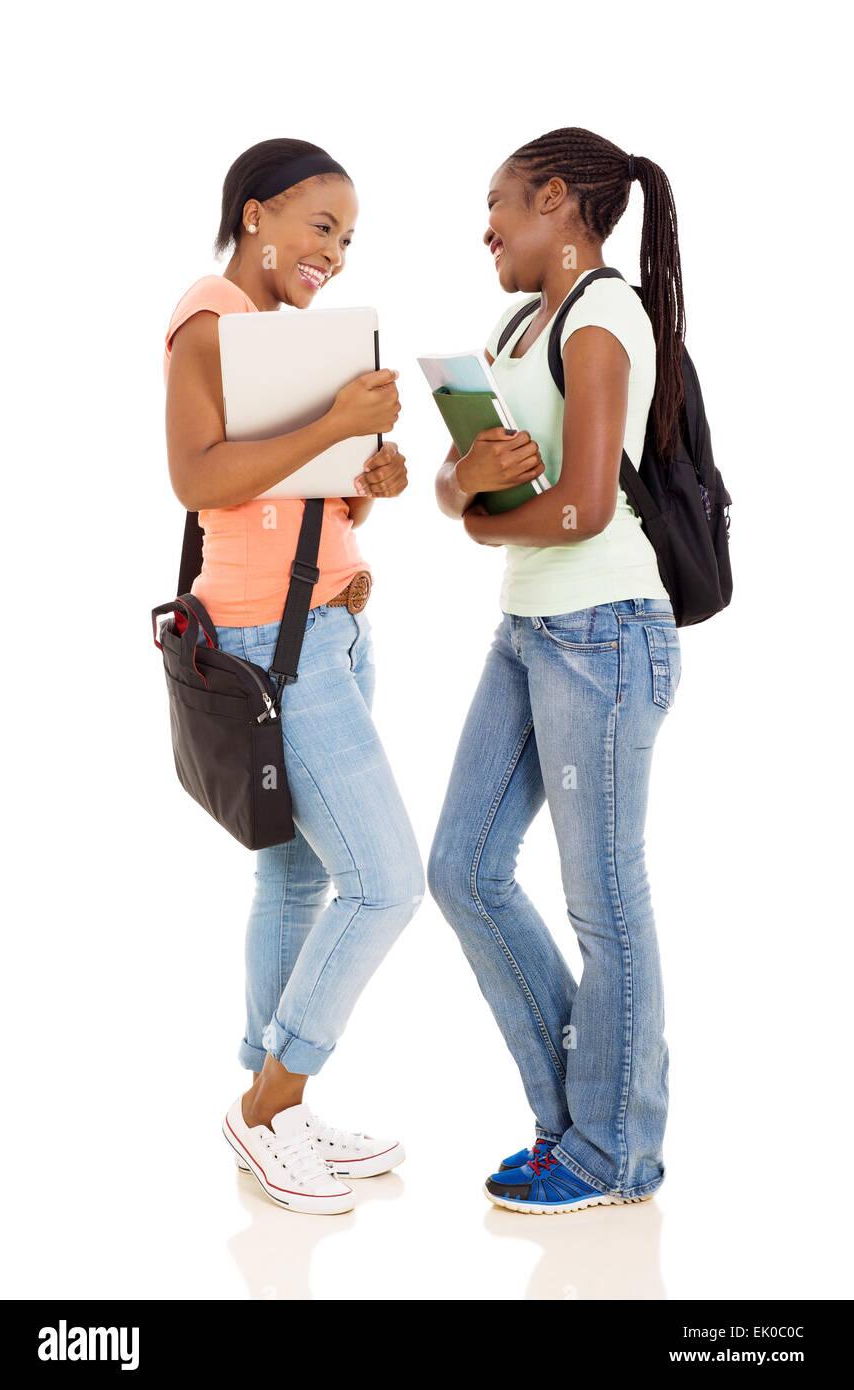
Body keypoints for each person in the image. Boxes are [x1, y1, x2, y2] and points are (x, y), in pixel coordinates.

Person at [163, 139, 424, 1215]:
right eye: (322, 227)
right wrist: (333, 424)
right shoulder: (208, 317)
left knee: (299, 877)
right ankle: (270, 1102)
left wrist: (367, 481)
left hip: (335, 626)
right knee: (386, 879)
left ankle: (277, 1113)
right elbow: (196, 475)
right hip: (277, 638)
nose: (335, 254)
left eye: (349, 239)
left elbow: (280, 495)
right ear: (259, 212)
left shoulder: (283, 341)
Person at [428, 126, 685, 1214]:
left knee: (601, 900)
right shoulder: (508, 323)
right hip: (529, 627)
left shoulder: (603, 314)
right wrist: (461, 485)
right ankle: (571, 1123)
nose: (484, 227)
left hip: (605, 630)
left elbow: (580, 505)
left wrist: (484, 523)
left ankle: (614, 1152)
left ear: (555, 201)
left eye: (497, 205)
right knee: (462, 866)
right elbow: (459, 482)